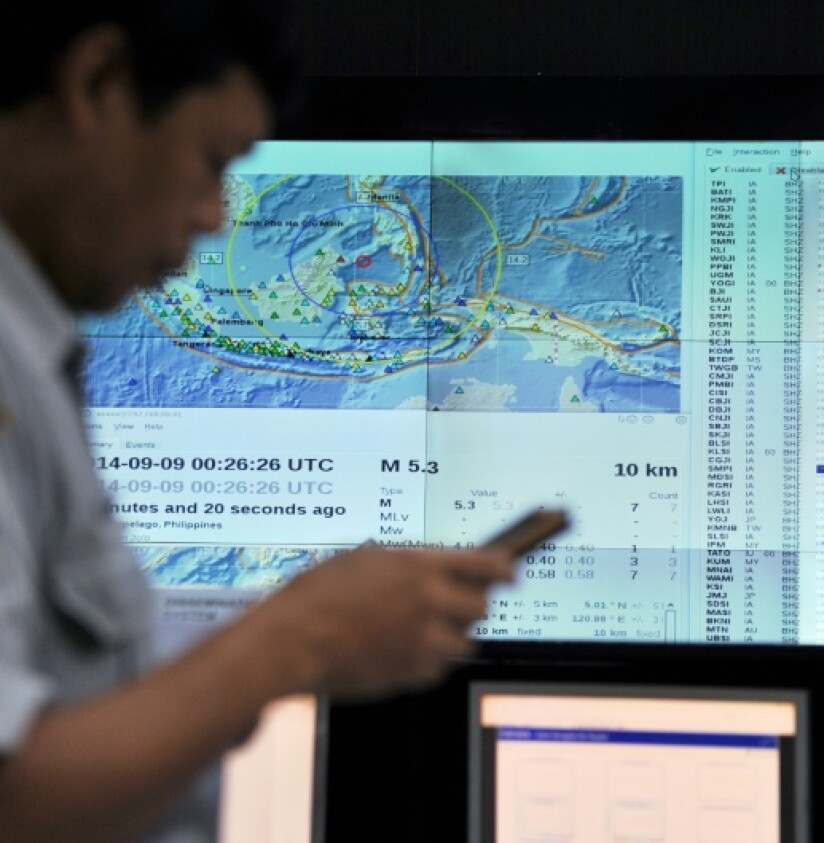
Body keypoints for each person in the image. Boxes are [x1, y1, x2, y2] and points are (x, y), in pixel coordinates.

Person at [0, 4, 517, 841]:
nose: (215, 216)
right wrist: (300, 637)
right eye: (211, 160)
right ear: (97, 85)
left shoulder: (32, 351)